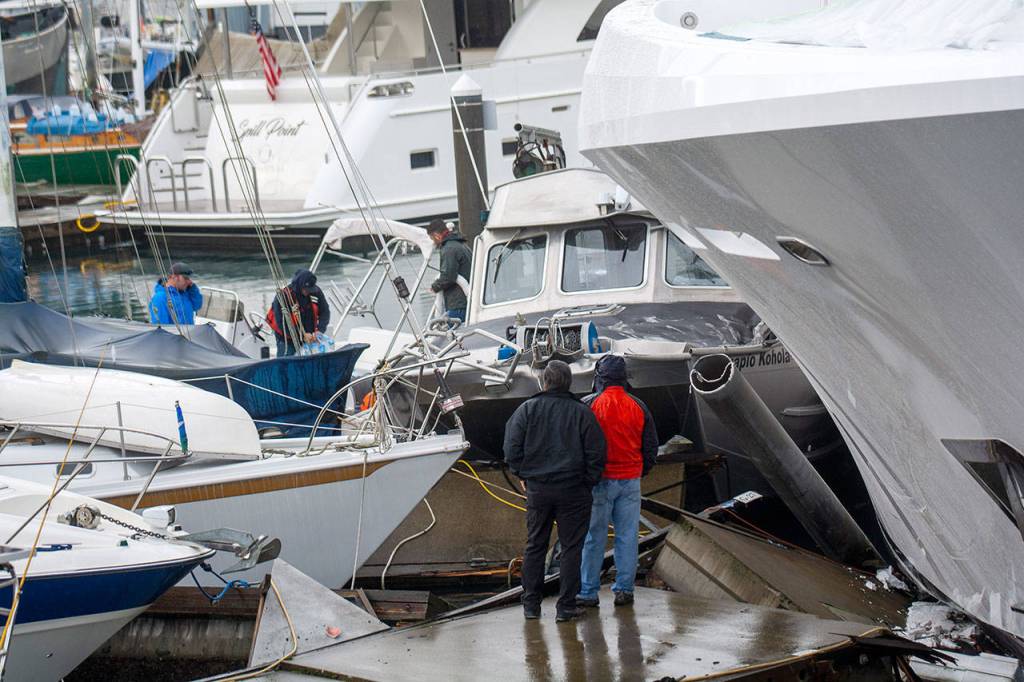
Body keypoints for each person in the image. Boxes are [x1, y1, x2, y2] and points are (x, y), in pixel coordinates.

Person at [504, 360, 606, 622]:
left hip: (539, 489)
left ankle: (530, 605)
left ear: (544, 381)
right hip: (574, 490)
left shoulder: (527, 409)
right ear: (569, 382)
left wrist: (522, 473)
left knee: (535, 544)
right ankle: (566, 607)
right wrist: (588, 482)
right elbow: (597, 452)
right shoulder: (582, 412)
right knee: (572, 548)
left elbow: (511, 448)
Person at [576, 355, 658, 608]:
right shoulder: (638, 405)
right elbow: (650, 445)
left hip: (600, 481)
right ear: (624, 378)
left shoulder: (589, 404)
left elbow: (580, 444)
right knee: (627, 536)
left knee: (594, 537)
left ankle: (589, 592)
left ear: (599, 377)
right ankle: (624, 589)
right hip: (630, 479)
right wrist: (641, 470)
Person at [267, 269, 331, 357]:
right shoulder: (284, 297)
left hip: (309, 337)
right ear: (300, 286)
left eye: (310, 289)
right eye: (306, 289)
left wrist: (320, 331)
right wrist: (302, 335)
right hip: (287, 338)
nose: (308, 292)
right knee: (286, 363)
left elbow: (325, 312)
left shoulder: (316, 292)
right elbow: (282, 324)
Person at [426, 219, 472, 323]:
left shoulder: (448, 249)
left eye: (432, 238)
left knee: (456, 335)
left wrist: (435, 287)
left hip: (458, 303)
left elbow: (449, 276)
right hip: (467, 301)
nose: (433, 242)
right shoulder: (461, 244)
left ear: (437, 235)